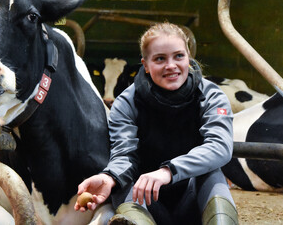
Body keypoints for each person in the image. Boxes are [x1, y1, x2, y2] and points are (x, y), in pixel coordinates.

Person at [75, 22, 238, 225]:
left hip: (192, 198)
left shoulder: (211, 96)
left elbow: (220, 147)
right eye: (160, 59)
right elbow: (124, 154)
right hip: (145, 199)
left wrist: (168, 171)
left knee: (213, 176)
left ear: (189, 57)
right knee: (123, 183)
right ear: (145, 64)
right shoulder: (126, 102)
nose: (171, 65)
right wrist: (109, 177)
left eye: (179, 56)